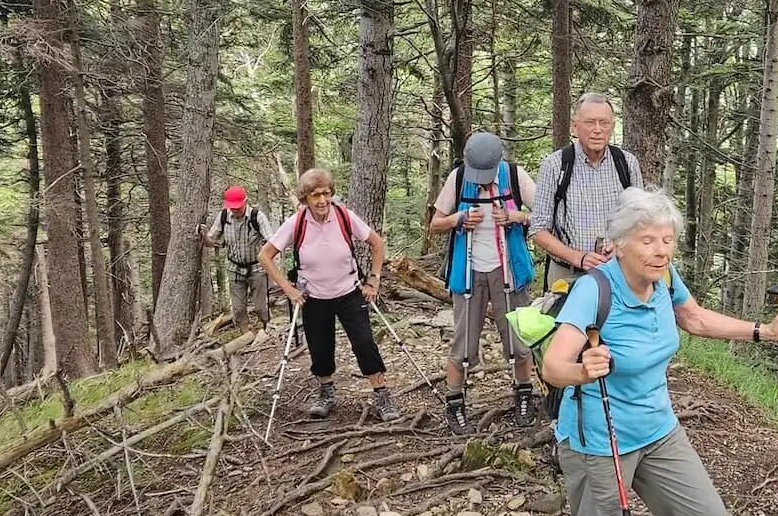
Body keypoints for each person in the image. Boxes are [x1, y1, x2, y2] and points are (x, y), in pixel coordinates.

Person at [541, 187, 778, 516]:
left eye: (667, 239)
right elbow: (553, 365)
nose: (660, 250)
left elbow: (695, 319)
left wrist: (762, 331)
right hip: (600, 438)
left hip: (658, 428)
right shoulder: (594, 289)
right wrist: (584, 369)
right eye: (648, 240)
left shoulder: (664, 280)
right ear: (620, 243)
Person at [259, 168, 400, 422]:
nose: (322, 200)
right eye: (316, 195)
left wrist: (374, 280)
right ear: (305, 198)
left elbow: (377, 243)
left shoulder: (345, 216)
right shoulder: (297, 223)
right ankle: (326, 392)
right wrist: (288, 289)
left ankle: (381, 394)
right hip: (313, 296)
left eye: (326, 193)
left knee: (364, 342)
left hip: (349, 291)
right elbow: (265, 255)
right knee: (320, 348)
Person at [430, 131, 538, 436]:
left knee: (519, 338)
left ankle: (524, 393)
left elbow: (544, 214)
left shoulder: (516, 176)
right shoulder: (458, 177)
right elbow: (436, 224)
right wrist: (459, 219)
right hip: (468, 273)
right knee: (463, 342)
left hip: (510, 271)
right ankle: (455, 402)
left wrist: (516, 216)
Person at [530, 93, 642, 288]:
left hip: (618, 272)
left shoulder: (626, 163)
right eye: (590, 122)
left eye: (604, 123)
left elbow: (641, 219)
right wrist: (578, 257)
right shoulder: (555, 165)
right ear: (576, 126)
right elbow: (538, 229)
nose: (597, 130)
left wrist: (620, 247)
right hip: (568, 275)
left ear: (612, 126)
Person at [203, 185, 275, 331]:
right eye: (232, 207)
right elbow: (211, 240)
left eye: (238, 206)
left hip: (257, 268)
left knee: (261, 307)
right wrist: (203, 236)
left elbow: (271, 241)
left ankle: (268, 331)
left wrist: (268, 260)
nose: (235, 210)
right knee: (238, 309)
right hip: (234, 269)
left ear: (245, 201)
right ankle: (244, 335)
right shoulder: (223, 216)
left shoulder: (257, 217)